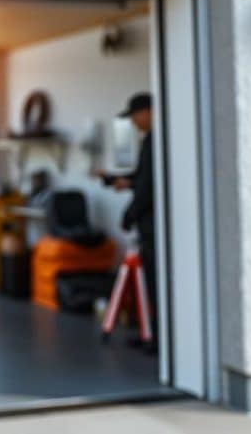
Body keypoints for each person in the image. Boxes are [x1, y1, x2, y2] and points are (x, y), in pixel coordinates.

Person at [95, 92, 156, 348]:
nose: (134, 122)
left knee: (155, 282)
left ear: (147, 112)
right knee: (150, 283)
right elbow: (142, 178)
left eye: (135, 116)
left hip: (153, 226)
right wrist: (113, 179)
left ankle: (157, 340)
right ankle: (150, 335)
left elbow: (147, 186)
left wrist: (129, 215)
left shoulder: (156, 140)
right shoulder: (151, 140)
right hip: (148, 223)